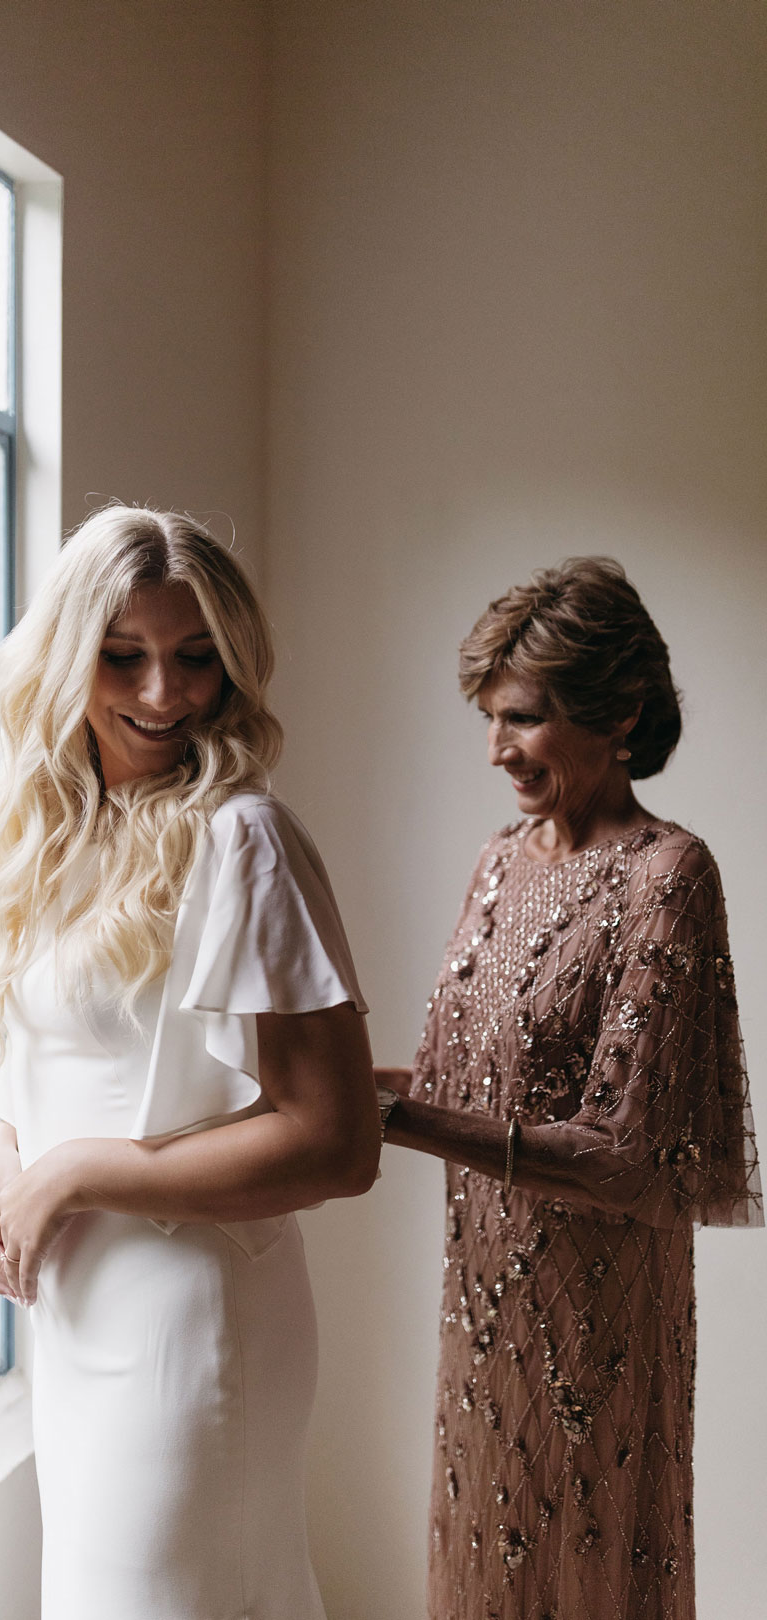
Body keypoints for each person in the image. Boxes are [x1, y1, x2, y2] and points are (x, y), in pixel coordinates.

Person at [0, 505, 378, 1620]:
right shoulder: (51, 830)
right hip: (78, 1309)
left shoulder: (245, 838)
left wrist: (76, 1173)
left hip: (193, 1320)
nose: (163, 693)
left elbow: (338, 1143)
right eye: (122, 655)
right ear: (64, 659)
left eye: (195, 658)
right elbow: (44, 1048)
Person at [377, 558, 761, 1620]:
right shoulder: (499, 859)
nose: (497, 749)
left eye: (525, 718)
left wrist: (399, 1118)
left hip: (594, 1322)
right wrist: (337, 1085)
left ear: (621, 714)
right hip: (479, 1308)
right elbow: (463, 1083)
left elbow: (623, 1151)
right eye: (490, 718)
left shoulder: (668, 875)